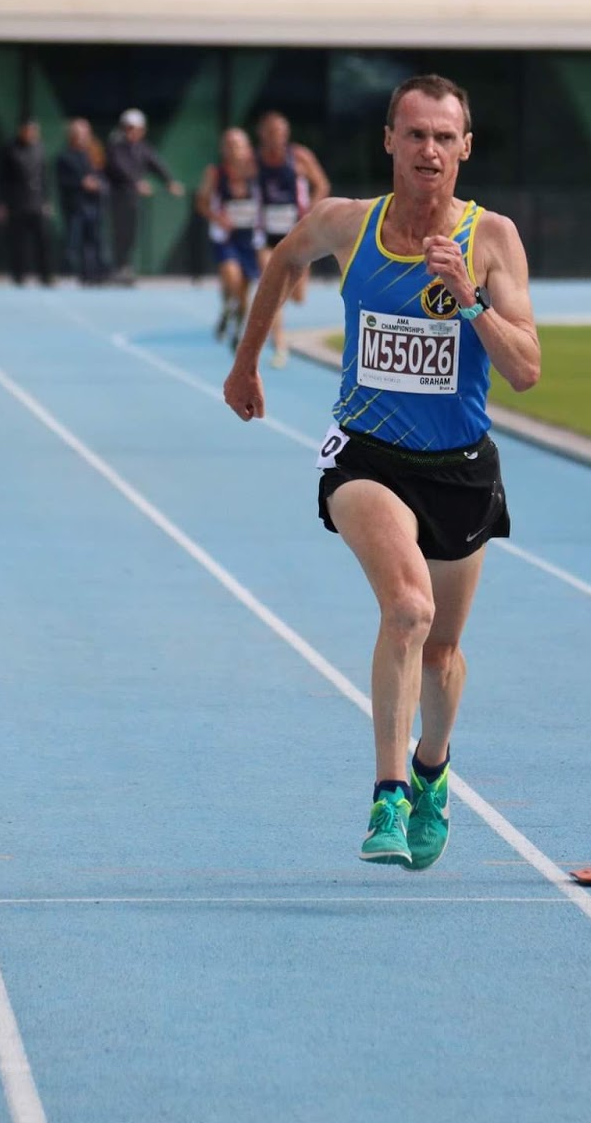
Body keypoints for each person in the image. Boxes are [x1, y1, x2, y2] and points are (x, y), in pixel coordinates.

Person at [224, 74, 540, 869]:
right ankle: (388, 797)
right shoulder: (345, 224)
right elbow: (279, 258)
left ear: (464, 148)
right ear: (390, 142)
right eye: (415, 134)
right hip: (367, 456)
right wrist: (246, 362)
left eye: (444, 136)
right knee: (407, 609)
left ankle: (433, 770)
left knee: (442, 651)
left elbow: (529, 369)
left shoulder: (492, 238)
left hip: (461, 466)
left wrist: (468, 300)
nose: (428, 149)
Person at [255, 111, 331, 367]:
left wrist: (311, 209)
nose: (277, 138)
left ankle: (279, 317)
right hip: (266, 235)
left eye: (281, 133)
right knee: (272, 284)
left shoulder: (298, 156)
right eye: (271, 133)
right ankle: (279, 344)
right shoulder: (255, 161)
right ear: (262, 135)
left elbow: (321, 184)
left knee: (298, 296)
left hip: (296, 232)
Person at [195, 128, 264, 350]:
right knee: (232, 278)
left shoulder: (257, 173)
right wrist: (218, 217)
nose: (235, 149)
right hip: (226, 237)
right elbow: (202, 202)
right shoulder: (215, 173)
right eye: (231, 144)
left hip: (250, 237)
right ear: (224, 149)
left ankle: (236, 327)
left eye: (239, 144)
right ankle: (226, 306)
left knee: (245, 291)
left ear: (247, 149)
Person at [105, 108, 183, 284]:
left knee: (130, 234)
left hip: (132, 200)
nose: (135, 132)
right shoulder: (116, 146)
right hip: (118, 197)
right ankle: (116, 268)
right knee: (120, 233)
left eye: (138, 129)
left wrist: (169, 181)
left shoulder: (141, 147)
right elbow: (119, 167)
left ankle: (125, 267)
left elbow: (155, 163)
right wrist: (135, 182)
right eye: (130, 128)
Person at [0, 119, 54, 287]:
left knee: (43, 240)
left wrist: (47, 201)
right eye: (28, 130)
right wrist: (1, 203)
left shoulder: (40, 149)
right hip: (17, 202)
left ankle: (46, 276)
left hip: (37, 202)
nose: (31, 134)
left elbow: (44, 177)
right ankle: (19, 275)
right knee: (18, 242)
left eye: (34, 131)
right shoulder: (10, 149)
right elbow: (3, 179)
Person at [56, 118, 107, 284]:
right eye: (79, 133)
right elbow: (62, 181)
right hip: (75, 205)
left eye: (85, 133)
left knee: (93, 241)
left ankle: (92, 275)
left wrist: (97, 183)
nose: (83, 137)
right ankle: (68, 272)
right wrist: (81, 183)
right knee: (73, 243)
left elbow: (101, 174)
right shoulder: (64, 157)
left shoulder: (92, 154)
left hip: (93, 204)